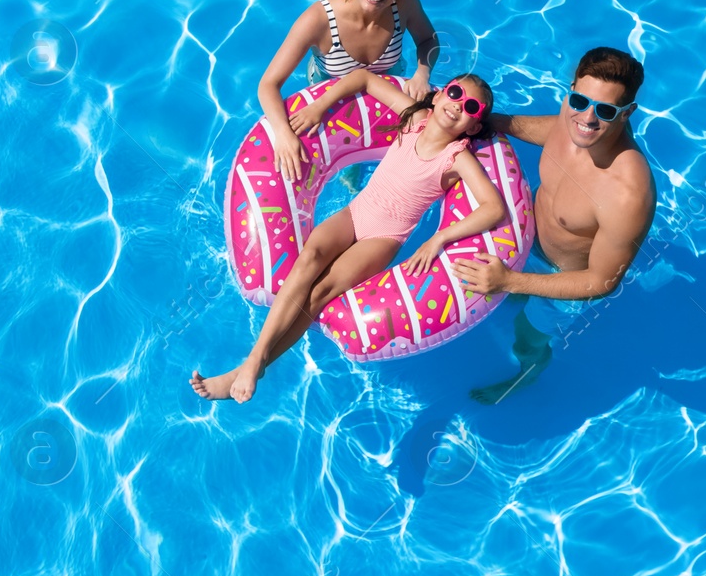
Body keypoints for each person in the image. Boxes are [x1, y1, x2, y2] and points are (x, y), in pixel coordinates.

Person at [192, 71, 503, 403]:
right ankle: (253, 362)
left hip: (385, 235)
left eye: (471, 107)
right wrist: (321, 105)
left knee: (321, 292)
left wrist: (438, 238)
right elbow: (364, 80)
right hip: (356, 212)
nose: (458, 106)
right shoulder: (414, 117)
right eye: (455, 93)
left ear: (473, 126)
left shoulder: (457, 157)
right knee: (308, 260)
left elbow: (493, 207)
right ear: (440, 95)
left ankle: (254, 365)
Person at [452, 47, 656, 398]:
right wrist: (473, 117)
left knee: (527, 337)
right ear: (571, 90)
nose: (588, 119)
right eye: (580, 100)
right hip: (525, 241)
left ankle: (526, 375)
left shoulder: (628, 192)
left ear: (627, 114)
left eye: (605, 111)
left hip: (563, 278)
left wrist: (512, 281)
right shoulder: (571, 118)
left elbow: (602, 281)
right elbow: (530, 127)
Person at [257, 0, 441, 183]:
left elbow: (428, 40)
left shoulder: (404, 3)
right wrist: (283, 133)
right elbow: (268, 84)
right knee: (349, 165)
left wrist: (422, 73)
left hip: (387, 85)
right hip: (332, 93)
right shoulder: (319, 19)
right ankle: (351, 175)